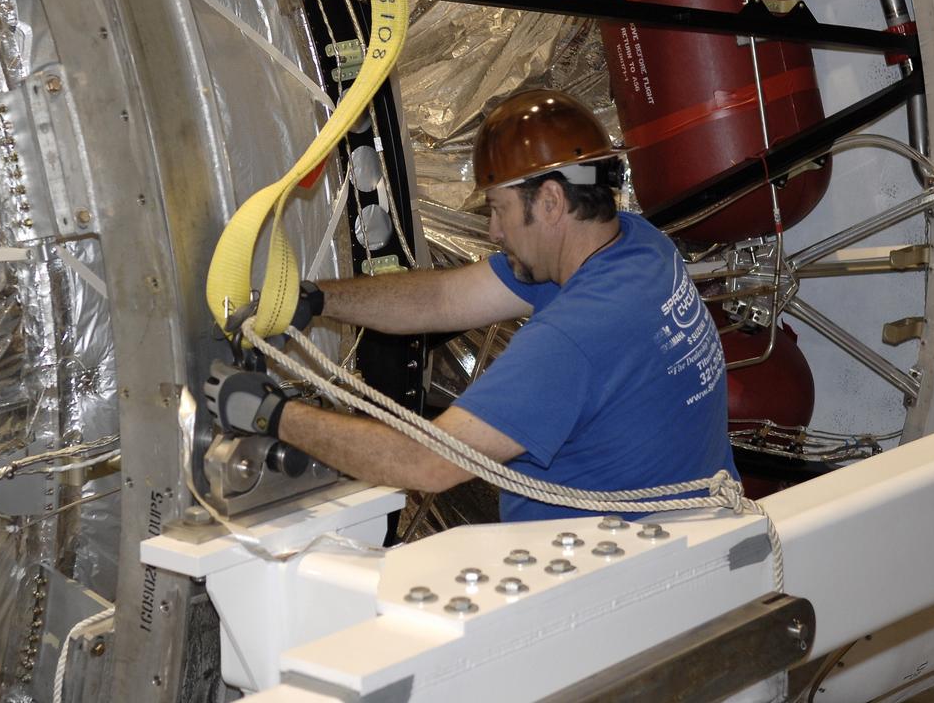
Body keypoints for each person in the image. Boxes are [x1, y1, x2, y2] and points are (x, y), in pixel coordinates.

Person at [206, 89, 735, 522]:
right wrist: (316, 299)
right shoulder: (636, 247)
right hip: (687, 548)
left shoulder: (576, 338)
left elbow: (428, 463)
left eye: (500, 210)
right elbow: (442, 298)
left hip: (606, 588)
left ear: (551, 201)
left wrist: (271, 414)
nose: (493, 230)